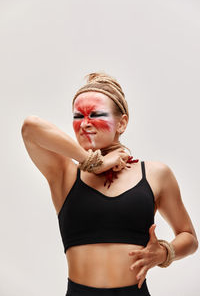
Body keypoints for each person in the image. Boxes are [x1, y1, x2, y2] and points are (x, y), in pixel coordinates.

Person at [21, 72, 198, 296]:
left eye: (95, 114)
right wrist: (93, 162)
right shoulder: (64, 174)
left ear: (122, 123)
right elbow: (30, 128)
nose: (84, 124)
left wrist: (164, 252)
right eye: (78, 116)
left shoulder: (155, 174)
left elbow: (189, 237)